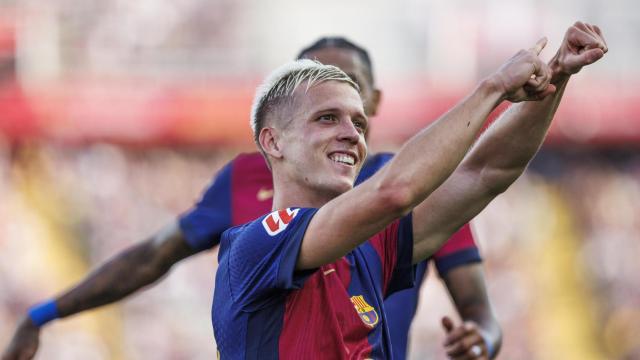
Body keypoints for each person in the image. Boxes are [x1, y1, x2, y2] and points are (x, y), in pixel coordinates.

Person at [3, 39, 499, 359]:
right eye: (314, 93)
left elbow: (480, 300)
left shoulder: (418, 182)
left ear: (373, 102)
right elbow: (153, 255)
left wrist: (483, 340)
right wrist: (47, 313)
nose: (336, 108)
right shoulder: (250, 186)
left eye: (349, 97)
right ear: (277, 131)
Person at [210, 22, 606, 359]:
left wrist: (555, 75)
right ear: (273, 142)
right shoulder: (253, 246)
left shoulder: (366, 247)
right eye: (327, 118)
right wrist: (494, 87)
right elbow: (395, 192)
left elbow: (487, 171)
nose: (351, 135)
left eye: (359, 123)